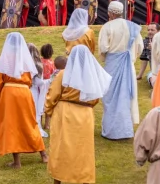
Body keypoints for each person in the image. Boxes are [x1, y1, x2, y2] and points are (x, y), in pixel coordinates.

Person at [45, 45, 111, 184]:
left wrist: (49, 111)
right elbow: (95, 97)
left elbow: (53, 95)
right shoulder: (92, 75)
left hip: (66, 113)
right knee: (83, 150)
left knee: (61, 148)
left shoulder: (63, 74)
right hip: (85, 114)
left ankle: (58, 180)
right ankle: (83, 179)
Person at [0, 32, 47, 168]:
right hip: (24, 92)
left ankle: (17, 162)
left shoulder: (5, 58)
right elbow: (31, 77)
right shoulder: (26, 59)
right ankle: (43, 154)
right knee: (30, 123)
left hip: (9, 94)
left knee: (12, 125)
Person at [98, 1, 143, 140]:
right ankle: (124, 130)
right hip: (127, 64)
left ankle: (111, 130)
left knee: (110, 96)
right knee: (125, 95)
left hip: (113, 63)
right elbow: (140, 47)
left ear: (110, 13)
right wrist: (130, 56)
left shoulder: (107, 27)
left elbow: (103, 48)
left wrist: (109, 56)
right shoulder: (132, 27)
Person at [27, 43, 48, 138]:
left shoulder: (21, 62)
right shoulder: (37, 64)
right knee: (32, 111)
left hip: (23, 90)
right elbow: (39, 82)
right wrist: (49, 81)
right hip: (33, 91)